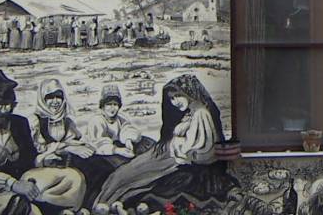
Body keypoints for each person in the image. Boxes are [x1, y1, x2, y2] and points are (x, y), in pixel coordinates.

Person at [0, 70, 86, 214]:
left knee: (73, 178)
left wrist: (44, 161)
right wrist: (11, 183)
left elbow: (29, 158)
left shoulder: (19, 123)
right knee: (13, 204)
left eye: (9, 105)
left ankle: (44, 203)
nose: (4, 110)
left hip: (21, 181)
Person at [95, 74, 238, 208]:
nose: (175, 102)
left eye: (178, 96)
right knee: (127, 172)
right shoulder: (193, 112)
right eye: (172, 98)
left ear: (189, 92)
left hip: (172, 157)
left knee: (134, 175)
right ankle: (105, 200)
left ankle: (106, 200)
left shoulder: (201, 114)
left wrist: (179, 147)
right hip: (168, 152)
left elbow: (202, 150)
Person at [80, 85, 154, 205]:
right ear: (103, 106)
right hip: (100, 152)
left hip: (115, 148)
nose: (112, 108)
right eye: (109, 104)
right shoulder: (97, 120)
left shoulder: (120, 118)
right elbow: (99, 142)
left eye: (115, 104)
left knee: (145, 145)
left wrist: (128, 140)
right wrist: (117, 150)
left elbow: (128, 128)